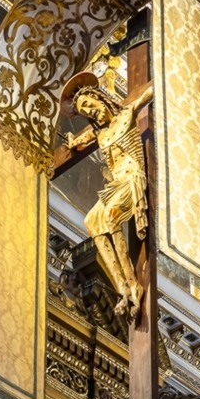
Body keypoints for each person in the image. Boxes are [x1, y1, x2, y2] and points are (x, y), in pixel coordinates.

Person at [63, 73, 155, 316]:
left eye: (88, 104)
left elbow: (147, 94)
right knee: (91, 221)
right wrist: (73, 141)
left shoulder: (126, 114)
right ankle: (122, 288)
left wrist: (166, 74)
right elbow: (81, 140)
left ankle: (134, 283)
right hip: (116, 185)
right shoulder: (100, 134)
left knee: (111, 215)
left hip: (132, 178)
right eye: (83, 111)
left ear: (99, 98)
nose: (89, 111)